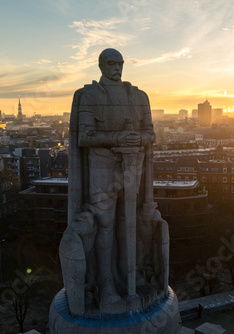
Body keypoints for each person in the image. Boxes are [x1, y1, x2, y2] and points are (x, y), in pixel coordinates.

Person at [68, 48, 155, 305]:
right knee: (104, 223)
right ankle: (105, 284)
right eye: (111, 63)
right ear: (101, 66)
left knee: (130, 221)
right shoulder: (90, 96)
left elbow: (151, 133)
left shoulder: (139, 97)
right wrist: (116, 138)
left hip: (131, 167)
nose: (117, 68)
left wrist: (138, 137)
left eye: (120, 63)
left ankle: (130, 273)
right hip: (101, 167)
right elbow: (84, 136)